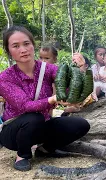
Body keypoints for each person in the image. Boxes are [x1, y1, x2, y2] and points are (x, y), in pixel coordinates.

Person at [0, 25, 90, 171]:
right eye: (16, 46)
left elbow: (68, 89)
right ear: (9, 51)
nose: (23, 49)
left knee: (81, 125)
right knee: (33, 118)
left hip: (42, 125)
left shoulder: (48, 69)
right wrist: (53, 99)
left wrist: (80, 69)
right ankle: (22, 155)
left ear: (33, 45)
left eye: (26, 44)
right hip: (14, 131)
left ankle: (45, 149)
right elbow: (25, 106)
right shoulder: (5, 77)